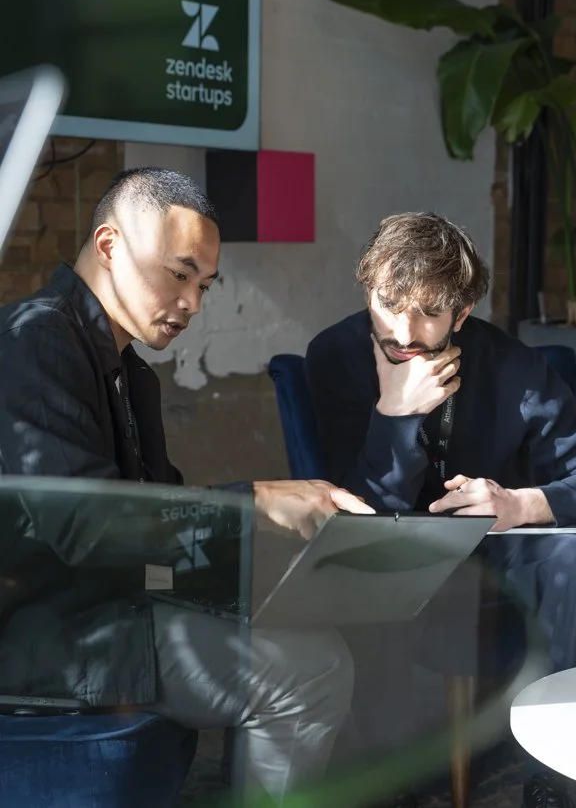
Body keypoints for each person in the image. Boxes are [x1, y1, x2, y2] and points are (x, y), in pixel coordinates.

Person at [0, 167, 373, 804]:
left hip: (107, 607)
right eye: (179, 275)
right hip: (48, 634)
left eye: (204, 285)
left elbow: (161, 530)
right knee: (310, 673)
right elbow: (89, 526)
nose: (194, 305)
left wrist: (274, 573)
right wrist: (256, 501)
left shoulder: (127, 372)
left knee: (317, 637)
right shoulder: (35, 339)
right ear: (111, 245)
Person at [306, 212, 576, 808]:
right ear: (368, 289)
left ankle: (561, 783)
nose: (404, 330)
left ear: (461, 315)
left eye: (429, 312)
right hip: (381, 549)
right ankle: (387, 780)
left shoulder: (512, 366)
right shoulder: (335, 356)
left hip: (493, 550)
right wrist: (393, 413)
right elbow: (354, 512)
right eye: (388, 303)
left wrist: (520, 503)